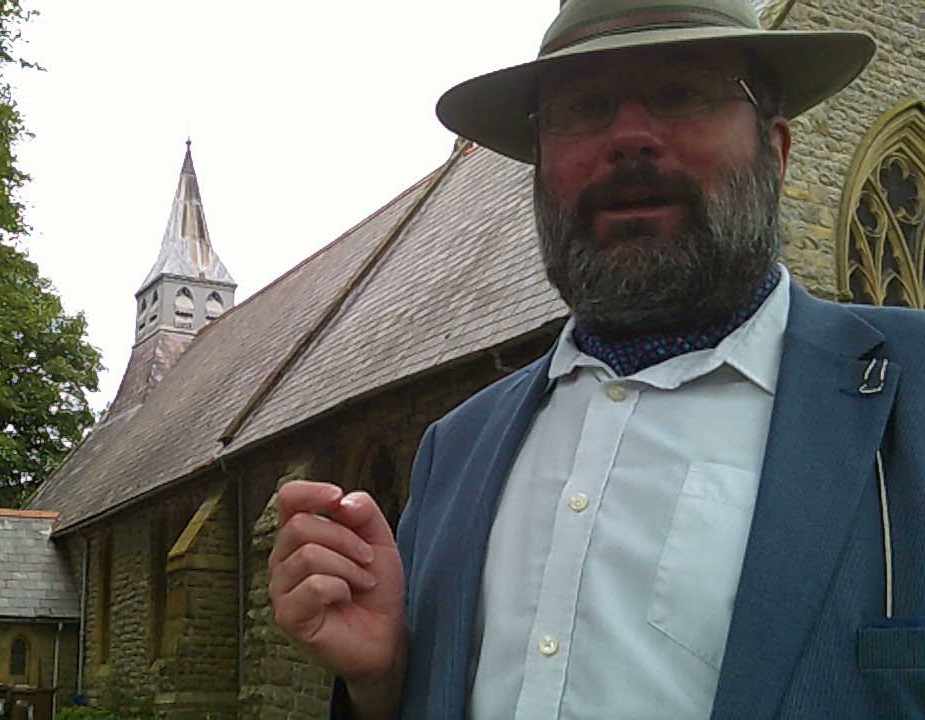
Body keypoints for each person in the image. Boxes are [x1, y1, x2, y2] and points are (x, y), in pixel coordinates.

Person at [267, 0, 925, 718]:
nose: (631, 138)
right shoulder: (454, 452)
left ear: (777, 151)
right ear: (540, 171)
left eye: (683, 92)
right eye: (584, 107)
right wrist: (385, 683)